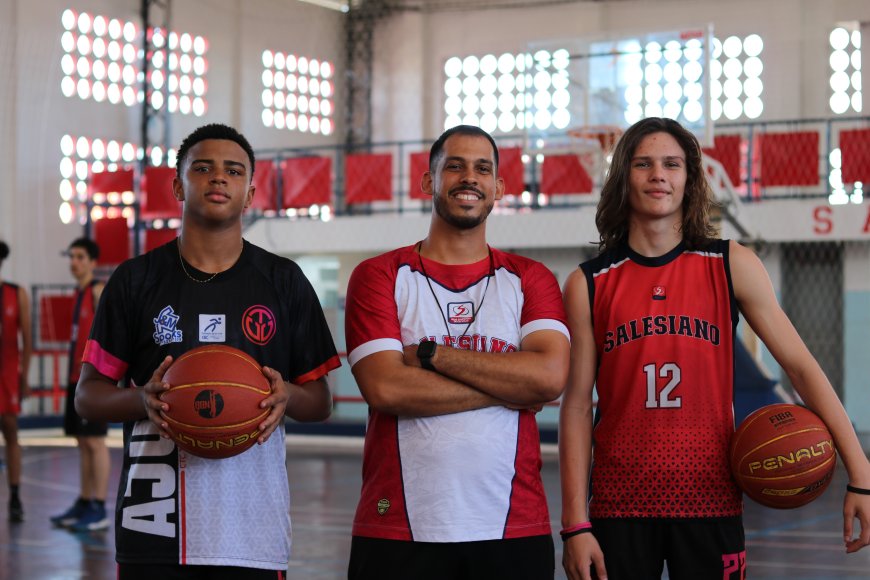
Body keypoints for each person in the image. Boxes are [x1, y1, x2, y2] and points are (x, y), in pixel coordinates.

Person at [558, 116, 870, 580]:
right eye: (643, 164)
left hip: (710, 499)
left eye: (671, 164)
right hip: (618, 504)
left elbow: (802, 369)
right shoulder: (589, 283)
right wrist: (573, 524)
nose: (658, 174)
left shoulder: (730, 264)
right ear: (624, 176)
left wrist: (860, 474)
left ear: (690, 178)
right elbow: (578, 406)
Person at [75, 123, 341, 579]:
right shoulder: (135, 280)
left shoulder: (284, 281)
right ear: (178, 185)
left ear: (251, 191)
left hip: (252, 533)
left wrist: (287, 397)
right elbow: (88, 397)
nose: (219, 178)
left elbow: (319, 402)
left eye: (233, 171)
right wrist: (142, 400)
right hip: (155, 528)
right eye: (203, 168)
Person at [344, 124, 570, 579]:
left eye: (482, 169)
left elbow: (547, 379)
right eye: (455, 166)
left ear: (499, 187)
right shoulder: (379, 276)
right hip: (397, 529)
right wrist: (512, 386)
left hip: (512, 529)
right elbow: (386, 388)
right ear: (429, 181)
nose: (469, 178)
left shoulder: (531, 279)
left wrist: (432, 356)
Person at [50, 237, 110, 531]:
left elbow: (112, 333)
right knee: (82, 441)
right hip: (76, 379)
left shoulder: (98, 291)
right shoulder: (79, 293)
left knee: (95, 442)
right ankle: (85, 500)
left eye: (80, 257)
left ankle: (99, 506)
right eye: (71, 256)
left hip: (94, 379)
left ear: (92, 262)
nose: (74, 262)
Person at [0, 241, 32, 523]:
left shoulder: (15, 293)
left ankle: (15, 496)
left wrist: (25, 377)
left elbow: (28, 339)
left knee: (11, 433)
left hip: (8, 373)